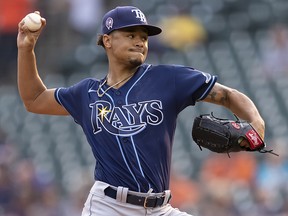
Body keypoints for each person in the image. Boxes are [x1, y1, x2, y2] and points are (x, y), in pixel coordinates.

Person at [17, 6, 265, 216]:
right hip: (109, 207)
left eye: (144, 37)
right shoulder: (86, 94)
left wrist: (256, 122)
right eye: (131, 34)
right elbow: (35, 99)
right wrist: (26, 49)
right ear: (107, 40)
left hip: (160, 208)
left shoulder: (167, 78)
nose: (140, 41)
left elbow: (228, 95)